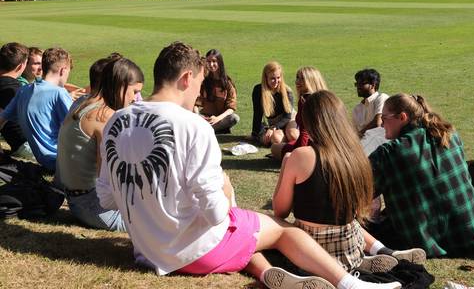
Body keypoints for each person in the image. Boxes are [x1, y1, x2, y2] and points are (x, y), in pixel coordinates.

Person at [96, 42, 400, 289]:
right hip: (191, 252)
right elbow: (216, 214)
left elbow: (107, 199)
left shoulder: (115, 123)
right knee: (282, 230)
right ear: (186, 78)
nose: (200, 96)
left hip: (147, 250)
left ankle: (267, 274)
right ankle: (349, 284)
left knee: (250, 230)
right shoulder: (193, 126)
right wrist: (225, 188)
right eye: (199, 85)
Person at [272, 90, 425, 272]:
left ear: (309, 122)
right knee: (347, 221)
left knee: (271, 225)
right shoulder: (356, 154)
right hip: (350, 246)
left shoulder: (300, 156)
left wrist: (286, 164)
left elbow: (280, 211)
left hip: (312, 251)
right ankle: (383, 251)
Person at [369, 93, 474, 257]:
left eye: (384, 118)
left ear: (402, 117)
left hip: (424, 243)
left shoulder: (388, 153)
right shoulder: (449, 134)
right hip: (469, 234)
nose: (381, 124)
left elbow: (359, 193)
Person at [56, 57, 144, 231]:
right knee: (152, 223)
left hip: (76, 197)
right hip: (91, 205)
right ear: (120, 85)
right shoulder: (105, 117)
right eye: (134, 92)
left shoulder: (83, 102)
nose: (136, 98)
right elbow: (108, 177)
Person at [0, 48, 73, 172]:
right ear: (63, 70)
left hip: (43, 160)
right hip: (60, 161)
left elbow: (1, 120)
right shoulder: (59, 93)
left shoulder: (24, 90)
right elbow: (78, 129)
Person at [271, 66, 327, 160]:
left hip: (311, 148)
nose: (297, 81)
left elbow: (305, 132)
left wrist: (298, 153)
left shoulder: (305, 100)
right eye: (297, 78)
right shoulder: (325, 98)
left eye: (302, 78)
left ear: (311, 80)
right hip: (326, 147)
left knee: (274, 148)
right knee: (287, 142)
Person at [251, 61, 296, 147]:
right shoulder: (258, 90)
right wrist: (254, 133)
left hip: (289, 119)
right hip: (274, 122)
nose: (276, 81)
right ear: (265, 78)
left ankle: (292, 139)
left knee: (293, 135)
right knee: (276, 139)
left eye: (278, 77)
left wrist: (273, 128)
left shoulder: (287, 91)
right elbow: (257, 114)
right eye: (272, 78)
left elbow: (287, 116)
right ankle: (281, 136)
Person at [197, 49, 239, 134]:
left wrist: (217, 119)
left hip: (220, 119)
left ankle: (206, 130)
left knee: (234, 118)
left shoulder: (227, 83)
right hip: (205, 118)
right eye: (208, 61)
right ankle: (211, 129)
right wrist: (197, 116)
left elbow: (231, 108)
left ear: (219, 62)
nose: (211, 64)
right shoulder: (204, 81)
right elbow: (196, 103)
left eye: (214, 61)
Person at [352, 69, 388, 138]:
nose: (358, 87)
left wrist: (359, 135)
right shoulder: (356, 109)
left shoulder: (381, 98)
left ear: (373, 85)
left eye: (362, 83)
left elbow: (378, 123)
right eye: (357, 84)